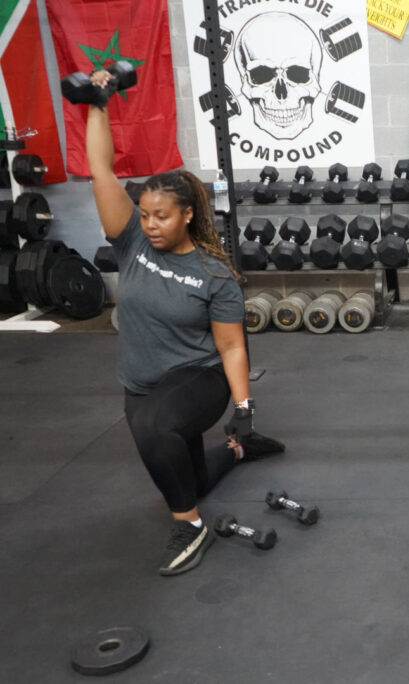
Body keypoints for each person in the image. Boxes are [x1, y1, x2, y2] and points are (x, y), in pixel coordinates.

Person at [86, 68, 282, 575]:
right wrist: (98, 102)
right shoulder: (129, 242)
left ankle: (191, 528)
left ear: (188, 215)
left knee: (155, 432)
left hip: (197, 378)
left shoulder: (213, 275)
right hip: (142, 382)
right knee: (185, 475)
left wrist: (243, 404)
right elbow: (100, 169)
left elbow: (232, 347)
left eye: (162, 216)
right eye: (145, 214)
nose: (150, 224)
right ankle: (238, 453)